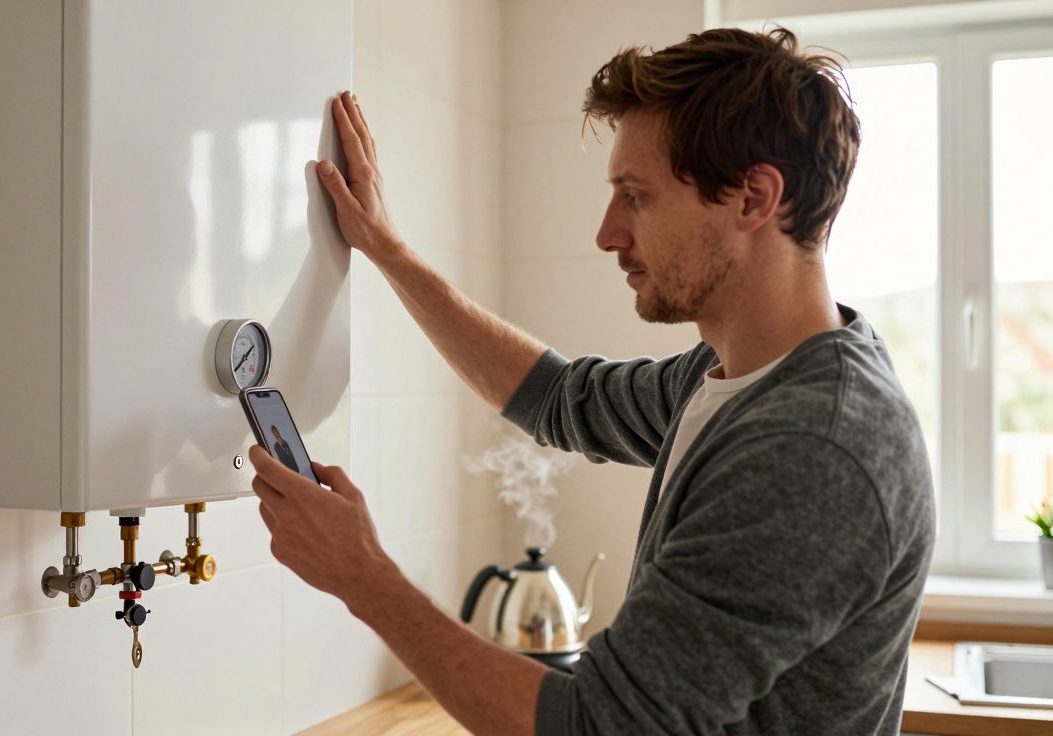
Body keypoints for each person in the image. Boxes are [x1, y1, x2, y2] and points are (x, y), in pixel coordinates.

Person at [247, 26, 935, 735]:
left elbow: (599, 726)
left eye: (636, 197)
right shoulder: (734, 375)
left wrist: (363, 576)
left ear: (754, 199)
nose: (608, 233)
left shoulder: (812, 448)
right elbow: (557, 397)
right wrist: (387, 250)